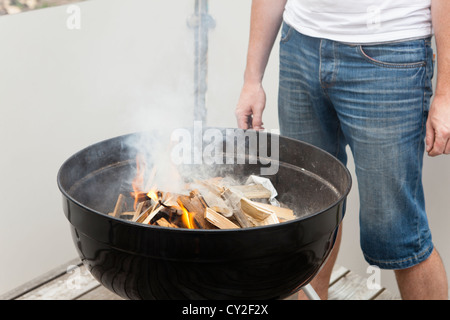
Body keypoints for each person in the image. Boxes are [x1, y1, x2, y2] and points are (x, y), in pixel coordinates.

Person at [235, 0, 449, 300]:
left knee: (398, 232)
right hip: (300, 44)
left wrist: (446, 92)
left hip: (389, 53)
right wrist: (252, 80)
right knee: (307, 216)